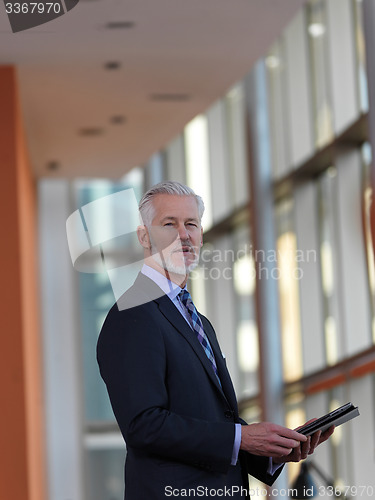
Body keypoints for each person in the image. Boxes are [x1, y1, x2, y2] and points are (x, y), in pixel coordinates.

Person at [97, 181, 334, 499]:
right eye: (169, 224)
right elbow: (144, 425)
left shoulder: (199, 322)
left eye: (191, 224)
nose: (184, 235)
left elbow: (209, 421)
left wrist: (272, 451)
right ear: (144, 237)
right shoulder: (132, 315)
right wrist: (241, 437)